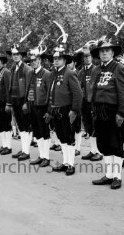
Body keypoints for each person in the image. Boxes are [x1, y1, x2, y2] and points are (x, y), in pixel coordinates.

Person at [90, 34, 124, 190]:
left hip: (113, 111)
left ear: (113, 53)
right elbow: (93, 90)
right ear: (99, 54)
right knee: (104, 143)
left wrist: (121, 113)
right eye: (102, 51)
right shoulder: (97, 70)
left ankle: (117, 176)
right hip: (99, 111)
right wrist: (93, 108)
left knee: (115, 144)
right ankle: (108, 175)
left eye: (107, 51)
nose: (104, 53)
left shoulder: (119, 68)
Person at [46, 22, 83, 176]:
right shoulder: (53, 73)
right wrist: (50, 110)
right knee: (61, 137)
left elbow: (78, 94)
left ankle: (71, 164)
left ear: (65, 60)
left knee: (69, 137)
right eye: (54, 58)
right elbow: (51, 93)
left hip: (67, 110)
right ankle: (65, 162)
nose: (56, 60)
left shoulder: (70, 73)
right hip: (55, 109)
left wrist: (74, 110)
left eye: (59, 58)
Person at [23, 42, 52, 167]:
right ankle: (41, 155)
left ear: (39, 60)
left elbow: (50, 94)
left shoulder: (46, 74)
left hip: (43, 107)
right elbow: (27, 89)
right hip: (32, 106)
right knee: (37, 132)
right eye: (31, 61)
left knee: (45, 132)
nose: (33, 62)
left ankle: (47, 157)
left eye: (35, 60)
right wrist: (25, 102)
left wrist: (49, 110)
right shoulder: (29, 73)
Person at [7, 37, 32, 161]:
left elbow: (29, 87)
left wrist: (26, 102)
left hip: (23, 101)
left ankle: (26, 152)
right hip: (15, 100)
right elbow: (11, 86)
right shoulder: (12, 68)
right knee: (20, 126)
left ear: (21, 56)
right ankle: (23, 149)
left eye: (17, 54)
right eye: (13, 54)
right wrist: (10, 102)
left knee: (26, 125)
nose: (15, 56)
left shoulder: (26, 69)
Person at [77, 45, 103, 161]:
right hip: (84, 103)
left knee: (96, 127)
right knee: (88, 127)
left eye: (89, 56)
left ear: (92, 57)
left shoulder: (96, 70)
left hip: (94, 103)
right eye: (85, 56)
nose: (87, 58)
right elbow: (78, 87)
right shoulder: (81, 71)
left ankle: (99, 151)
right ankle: (93, 150)